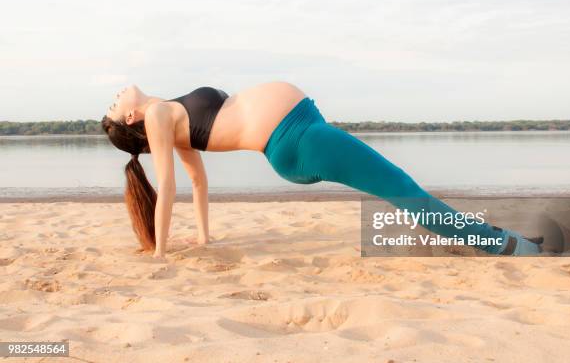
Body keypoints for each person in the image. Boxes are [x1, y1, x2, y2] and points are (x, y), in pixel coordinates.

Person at [101, 82, 543, 259]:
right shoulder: (158, 117)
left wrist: (203, 237)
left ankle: (506, 241)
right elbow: (173, 185)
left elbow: (199, 181)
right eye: (113, 105)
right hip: (295, 141)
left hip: (303, 131)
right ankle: (515, 247)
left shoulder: (171, 115)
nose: (116, 95)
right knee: (409, 194)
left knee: (406, 193)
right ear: (131, 119)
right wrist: (160, 251)